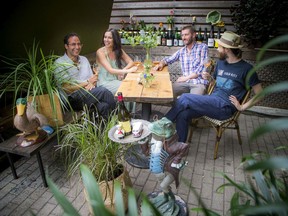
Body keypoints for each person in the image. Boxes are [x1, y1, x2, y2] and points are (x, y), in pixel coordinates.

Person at [165, 31, 263, 142]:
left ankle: (162, 124)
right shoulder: (221, 63)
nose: (217, 49)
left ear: (227, 49)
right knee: (183, 114)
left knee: (185, 98)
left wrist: (242, 107)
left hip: (225, 108)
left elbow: (261, 94)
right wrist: (210, 79)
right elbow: (215, 84)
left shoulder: (247, 69)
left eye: (219, 46)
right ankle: (180, 146)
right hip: (212, 101)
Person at [54, 32, 116, 119]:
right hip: (72, 99)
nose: (77, 47)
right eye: (73, 44)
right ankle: (122, 118)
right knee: (103, 91)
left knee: (103, 106)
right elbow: (66, 89)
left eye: (79, 44)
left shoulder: (84, 60)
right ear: (66, 46)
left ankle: (106, 130)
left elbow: (92, 79)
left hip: (88, 93)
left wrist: (91, 83)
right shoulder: (60, 63)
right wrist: (87, 83)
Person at [154, 25, 209, 98]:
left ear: (193, 35)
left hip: (198, 83)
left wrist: (186, 78)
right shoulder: (181, 51)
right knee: (166, 93)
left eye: (186, 35)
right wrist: (161, 64)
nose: (183, 38)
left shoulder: (202, 47)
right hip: (184, 83)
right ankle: (178, 108)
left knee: (193, 101)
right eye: (182, 35)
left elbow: (201, 68)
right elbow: (168, 60)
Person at [96, 28, 138, 95]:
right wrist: (127, 71)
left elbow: (131, 62)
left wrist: (122, 71)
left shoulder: (118, 50)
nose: (106, 40)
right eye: (105, 37)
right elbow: (110, 70)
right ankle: (122, 105)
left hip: (116, 81)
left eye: (109, 38)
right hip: (104, 83)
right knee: (127, 87)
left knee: (133, 84)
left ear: (115, 40)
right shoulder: (100, 52)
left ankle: (124, 105)